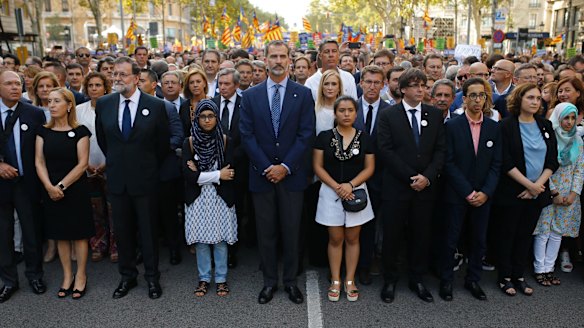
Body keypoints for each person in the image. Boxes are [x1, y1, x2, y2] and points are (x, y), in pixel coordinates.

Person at [239, 40, 315, 305]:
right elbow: (246, 136)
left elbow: (306, 135)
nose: (279, 61)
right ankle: (269, 282)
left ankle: (291, 282)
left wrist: (285, 167)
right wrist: (267, 167)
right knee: (266, 232)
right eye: (274, 56)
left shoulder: (303, 94)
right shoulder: (250, 96)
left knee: (292, 231)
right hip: (262, 176)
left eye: (283, 56)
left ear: (290, 59)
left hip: (291, 176)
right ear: (265, 59)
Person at [95, 56, 170, 300]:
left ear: (136, 78)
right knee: (123, 232)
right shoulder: (104, 104)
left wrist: (145, 167)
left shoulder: (156, 106)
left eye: (123, 74)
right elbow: (104, 140)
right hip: (117, 180)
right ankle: (127, 276)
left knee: (148, 233)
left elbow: (161, 145)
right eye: (114, 74)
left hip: (146, 181)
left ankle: (152, 278)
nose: (117, 78)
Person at [377, 68, 446, 303]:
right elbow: (385, 151)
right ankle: (390, 279)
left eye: (423, 85)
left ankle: (417, 278)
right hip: (396, 187)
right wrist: (410, 177)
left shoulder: (435, 115)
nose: (420, 89)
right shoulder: (388, 115)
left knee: (421, 234)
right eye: (415, 85)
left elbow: (440, 150)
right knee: (393, 236)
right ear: (403, 89)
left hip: (425, 188)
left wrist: (426, 176)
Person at [439, 78, 502, 302]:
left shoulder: (494, 127)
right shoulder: (452, 126)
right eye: (472, 95)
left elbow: (497, 164)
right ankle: (446, 280)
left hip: (484, 195)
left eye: (482, 95)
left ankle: (473, 279)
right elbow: (449, 162)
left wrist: (485, 192)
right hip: (457, 193)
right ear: (464, 99)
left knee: (479, 239)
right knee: (451, 238)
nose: (477, 100)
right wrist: (467, 191)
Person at [492, 83, 558, 297]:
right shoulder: (506, 126)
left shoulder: (545, 125)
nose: (535, 101)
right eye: (530, 97)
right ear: (519, 99)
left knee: (525, 235)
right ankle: (504, 277)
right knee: (506, 234)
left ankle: (519, 275)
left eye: (538, 98)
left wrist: (537, 186)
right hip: (512, 191)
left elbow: (552, 160)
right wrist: (528, 185)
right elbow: (504, 161)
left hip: (537, 192)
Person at [313, 96, 374, 302]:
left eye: (350, 110)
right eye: (342, 110)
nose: (346, 114)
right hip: (331, 192)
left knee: (353, 238)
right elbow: (317, 166)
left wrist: (350, 185)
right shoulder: (323, 137)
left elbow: (370, 168)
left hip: (357, 192)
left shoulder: (365, 138)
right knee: (336, 238)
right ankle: (335, 279)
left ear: (356, 114)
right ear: (335, 113)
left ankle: (350, 279)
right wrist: (337, 187)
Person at [35, 87, 93, 299]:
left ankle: (80, 275)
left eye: (56, 101)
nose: (51, 105)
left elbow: (82, 164)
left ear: (69, 105)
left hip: (74, 189)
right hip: (50, 189)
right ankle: (67, 276)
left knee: (78, 234)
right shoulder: (43, 131)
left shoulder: (81, 131)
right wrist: (49, 187)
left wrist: (60, 187)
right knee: (60, 235)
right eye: (49, 101)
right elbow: (39, 161)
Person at [0, 70, 47, 303]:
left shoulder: (35, 113)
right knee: (3, 234)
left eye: (17, 84)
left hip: (27, 183)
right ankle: (9, 281)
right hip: (1, 184)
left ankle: (35, 276)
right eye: (8, 84)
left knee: (31, 232)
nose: (14, 87)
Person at [183, 99, 237, 297]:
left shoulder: (225, 140)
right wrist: (216, 175)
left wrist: (201, 175)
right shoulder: (189, 142)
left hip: (220, 198)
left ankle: (221, 279)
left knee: (220, 241)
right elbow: (188, 177)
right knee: (202, 242)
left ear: (216, 117)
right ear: (196, 119)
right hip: (198, 199)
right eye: (203, 116)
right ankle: (204, 278)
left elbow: (229, 173)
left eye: (211, 116)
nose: (207, 120)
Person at [533, 102, 583, 287]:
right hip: (548, 191)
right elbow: (545, 166)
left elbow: (580, 169)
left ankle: (549, 268)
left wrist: (573, 193)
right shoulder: (550, 138)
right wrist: (553, 191)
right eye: (565, 117)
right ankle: (539, 268)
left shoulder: (578, 140)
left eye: (572, 117)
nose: (569, 122)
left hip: (569, 194)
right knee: (543, 231)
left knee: (557, 232)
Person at [353, 65, 391, 285]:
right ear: (361, 83)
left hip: (379, 178)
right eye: (368, 81)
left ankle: (365, 265)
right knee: (348, 223)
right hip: (350, 177)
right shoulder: (350, 107)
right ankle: (347, 265)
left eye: (377, 82)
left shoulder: (390, 110)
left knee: (371, 224)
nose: (372, 86)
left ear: (383, 84)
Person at [76, 72, 117, 263]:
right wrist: (87, 165)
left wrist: (105, 165)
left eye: (98, 85)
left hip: (110, 165)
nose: (94, 88)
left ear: (105, 87)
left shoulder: (113, 107)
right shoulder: (78, 110)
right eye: (90, 85)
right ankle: (98, 244)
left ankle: (116, 245)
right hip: (86, 167)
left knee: (113, 208)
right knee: (95, 209)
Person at [179, 68, 209, 138]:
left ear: (204, 83)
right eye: (191, 82)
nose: (195, 85)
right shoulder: (184, 106)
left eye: (198, 81)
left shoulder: (214, 103)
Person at [315, 70, 343, 134]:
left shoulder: (345, 110)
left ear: (339, 88)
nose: (330, 88)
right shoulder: (314, 108)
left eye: (334, 84)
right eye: (326, 84)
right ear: (321, 87)